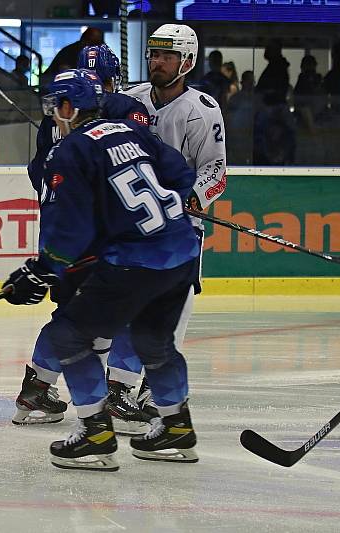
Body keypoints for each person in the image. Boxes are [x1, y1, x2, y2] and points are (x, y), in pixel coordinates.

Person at [2, 70, 200, 471]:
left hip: (134, 263)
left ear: (68, 107)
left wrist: (42, 269)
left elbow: (68, 228)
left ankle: (95, 432)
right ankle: (176, 427)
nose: (53, 113)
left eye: (55, 105)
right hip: (181, 253)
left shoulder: (70, 151)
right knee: (153, 340)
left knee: (68, 335)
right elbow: (181, 174)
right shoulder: (136, 131)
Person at [14, 45, 149, 427]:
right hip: (102, 235)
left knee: (73, 315)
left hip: (66, 231)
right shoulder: (122, 107)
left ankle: (37, 389)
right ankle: (118, 397)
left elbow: (39, 173)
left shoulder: (61, 111)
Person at [113, 23, 226, 430]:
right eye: (154, 54)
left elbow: (215, 169)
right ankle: (120, 388)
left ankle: (154, 390)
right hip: (133, 226)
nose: (156, 62)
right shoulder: (129, 99)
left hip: (179, 231)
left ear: (188, 61)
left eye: (166, 56)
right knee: (128, 308)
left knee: (171, 314)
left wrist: (191, 198)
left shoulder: (202, 110)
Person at [39, 26, 103, 89]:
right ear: (84, 40)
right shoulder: (69, 52)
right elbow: (66, 75)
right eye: (93, 43)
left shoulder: (99, 55)